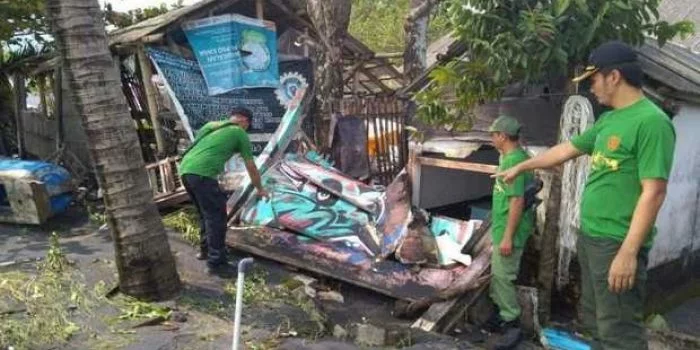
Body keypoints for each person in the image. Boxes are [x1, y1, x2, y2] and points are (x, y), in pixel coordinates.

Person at [495, 41, 675, 350]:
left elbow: (654, 192)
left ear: (614, 77)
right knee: (595, 323)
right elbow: (565, 150)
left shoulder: (652, 122)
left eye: (593, 80)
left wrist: (628, 252)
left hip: (617, 242)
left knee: (619, 332)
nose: (591, 89)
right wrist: (521, 166)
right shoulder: (608, 120)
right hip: (592, 238)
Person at [179, 106, 269, 275]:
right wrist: (260, 189)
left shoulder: (211, 126)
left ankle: (205, 251)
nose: (246, 130)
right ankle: (217, 264)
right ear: (244, 121)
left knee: (205, 214)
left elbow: (203, 150)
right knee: (217, 218)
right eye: (247, 126)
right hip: (203, 174)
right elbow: (251, 165)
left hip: (186, 171)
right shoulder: (239, 132)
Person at [486, 115, 534, 349]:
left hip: (509, 229)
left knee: (504, 277)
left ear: (503, 136)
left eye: (493, 135)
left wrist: (507, 237)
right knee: (498, 274)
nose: (491, 139)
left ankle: (512, 322)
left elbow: (516, 202)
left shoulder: (513, 162)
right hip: (503, 226)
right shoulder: (514, 157)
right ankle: (501, 315)